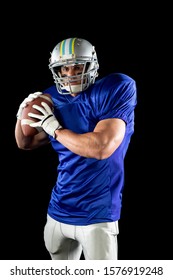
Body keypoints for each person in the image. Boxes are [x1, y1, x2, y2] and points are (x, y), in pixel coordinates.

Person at [15, 37, 137, 260]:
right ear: (57, 71)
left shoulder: (116, 87)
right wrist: (20, 116)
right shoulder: (51, 96)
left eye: (78, 66)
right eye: (65, 67)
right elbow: (25, 143)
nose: (71, 73)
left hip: (97, 213)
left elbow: (101, 148)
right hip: (58, 209)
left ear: (91, 65)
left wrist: (55, 129)